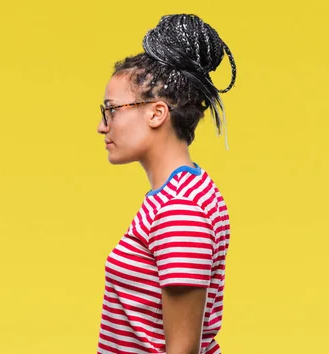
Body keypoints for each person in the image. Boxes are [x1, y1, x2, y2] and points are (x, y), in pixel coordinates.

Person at [95, 14, 236, 354]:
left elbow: (183, 350)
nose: (102, 126)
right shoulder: (178, 196)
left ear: (157, 114)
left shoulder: (181, 210)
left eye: (111, 110)